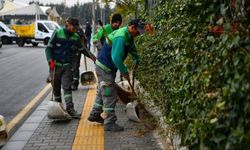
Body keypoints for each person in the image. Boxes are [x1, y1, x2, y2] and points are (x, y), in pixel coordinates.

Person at [88, 19, 146, 131]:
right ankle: (109, 123)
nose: (138, 34)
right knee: (110, 93)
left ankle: (95, 113)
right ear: (132, 27)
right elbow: (116, 58)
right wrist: (124, 71)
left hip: (102, 66)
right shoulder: (121, 37)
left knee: (102, 90)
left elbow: (131, 47)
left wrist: (136, 58)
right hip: (106, 67)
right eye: (138, 31)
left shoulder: (128, 35)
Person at [45, 17, 96, 119]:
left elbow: (83, 50)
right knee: (56, 89)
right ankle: (58, 109)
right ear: (67, 24)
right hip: (55, 66)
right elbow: (48, 48)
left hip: (67, 67)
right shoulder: (58, 32)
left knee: (67, 88)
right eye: (73, 26)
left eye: (76, 27)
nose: (75, 29)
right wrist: (50, 62)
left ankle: (70, 109)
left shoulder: (75, 37)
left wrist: (93, 57)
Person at [71, 25, 87, 90]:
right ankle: (71, 82)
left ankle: (75, 83)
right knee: (71, 67)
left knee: (75, 67)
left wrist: (84, 47)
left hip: (77, 52)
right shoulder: (70, 30)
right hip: (70, 52)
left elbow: (84, 39)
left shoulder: (79, 30)